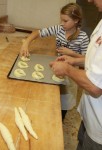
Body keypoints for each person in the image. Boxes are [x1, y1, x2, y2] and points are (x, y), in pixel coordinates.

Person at [20, 3, 89, 120]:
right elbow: (38, 32)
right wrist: (26, 43)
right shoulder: (59, 29)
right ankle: (48, 117)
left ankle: (59, 120)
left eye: (65, 21)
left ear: (76, 20)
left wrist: (71, 53)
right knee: (52, 96)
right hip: (55, 68)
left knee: (65, 101)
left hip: (71, 74)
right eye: (61, 20)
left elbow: (87, 60)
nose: (62, 23)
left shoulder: (83, 37)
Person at [50, 0, 102, 149]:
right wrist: (75, 61)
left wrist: (67, 69)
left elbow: (95, 86)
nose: (90, 0)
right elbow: (96, 61)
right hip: (90, 116)